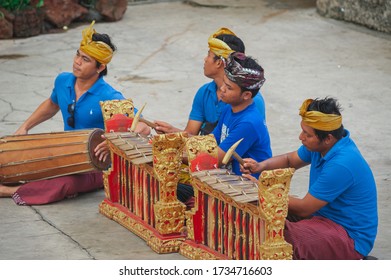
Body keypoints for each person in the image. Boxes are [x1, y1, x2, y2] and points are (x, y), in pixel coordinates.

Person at [0, 21, 150, 205]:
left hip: (95, 166)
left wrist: (112, 143)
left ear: (100, 67)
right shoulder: (63, 81)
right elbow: (51, 104)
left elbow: (142, 127)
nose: (77, 62)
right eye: (78, 55)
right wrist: (25, 127)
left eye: (86, 60)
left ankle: (10, 191)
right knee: (16, 158)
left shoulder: (110, 96)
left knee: (66, 184)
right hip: (64, 152)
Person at [241, 97, 378, 259]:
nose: (301, 137)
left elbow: (304, 208)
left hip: (349, 237)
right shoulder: (322, 145)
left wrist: (262, 191)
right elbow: (289, 160)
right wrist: (260, 166)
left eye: (307, 134)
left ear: (328, 138)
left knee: (277, 237)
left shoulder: (342, 164)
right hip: (320, 217)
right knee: (258, 215)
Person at [154, 27, 266, 136]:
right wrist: (172, 132)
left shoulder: (249, 101)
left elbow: (226, 149)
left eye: (209, 55)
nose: (205, 59)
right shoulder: (205, 92)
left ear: (219, 63)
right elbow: (193, 134)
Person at [212, 52, 272, 178]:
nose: (222, 89)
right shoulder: (228, 108)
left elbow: (216, 159)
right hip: (229, 180)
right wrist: (179, 136)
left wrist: (176, 154)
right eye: (223, 83)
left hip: (247, 190)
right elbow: (211, 141)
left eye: (228, 87)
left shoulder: (248, 123)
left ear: (246, 95)